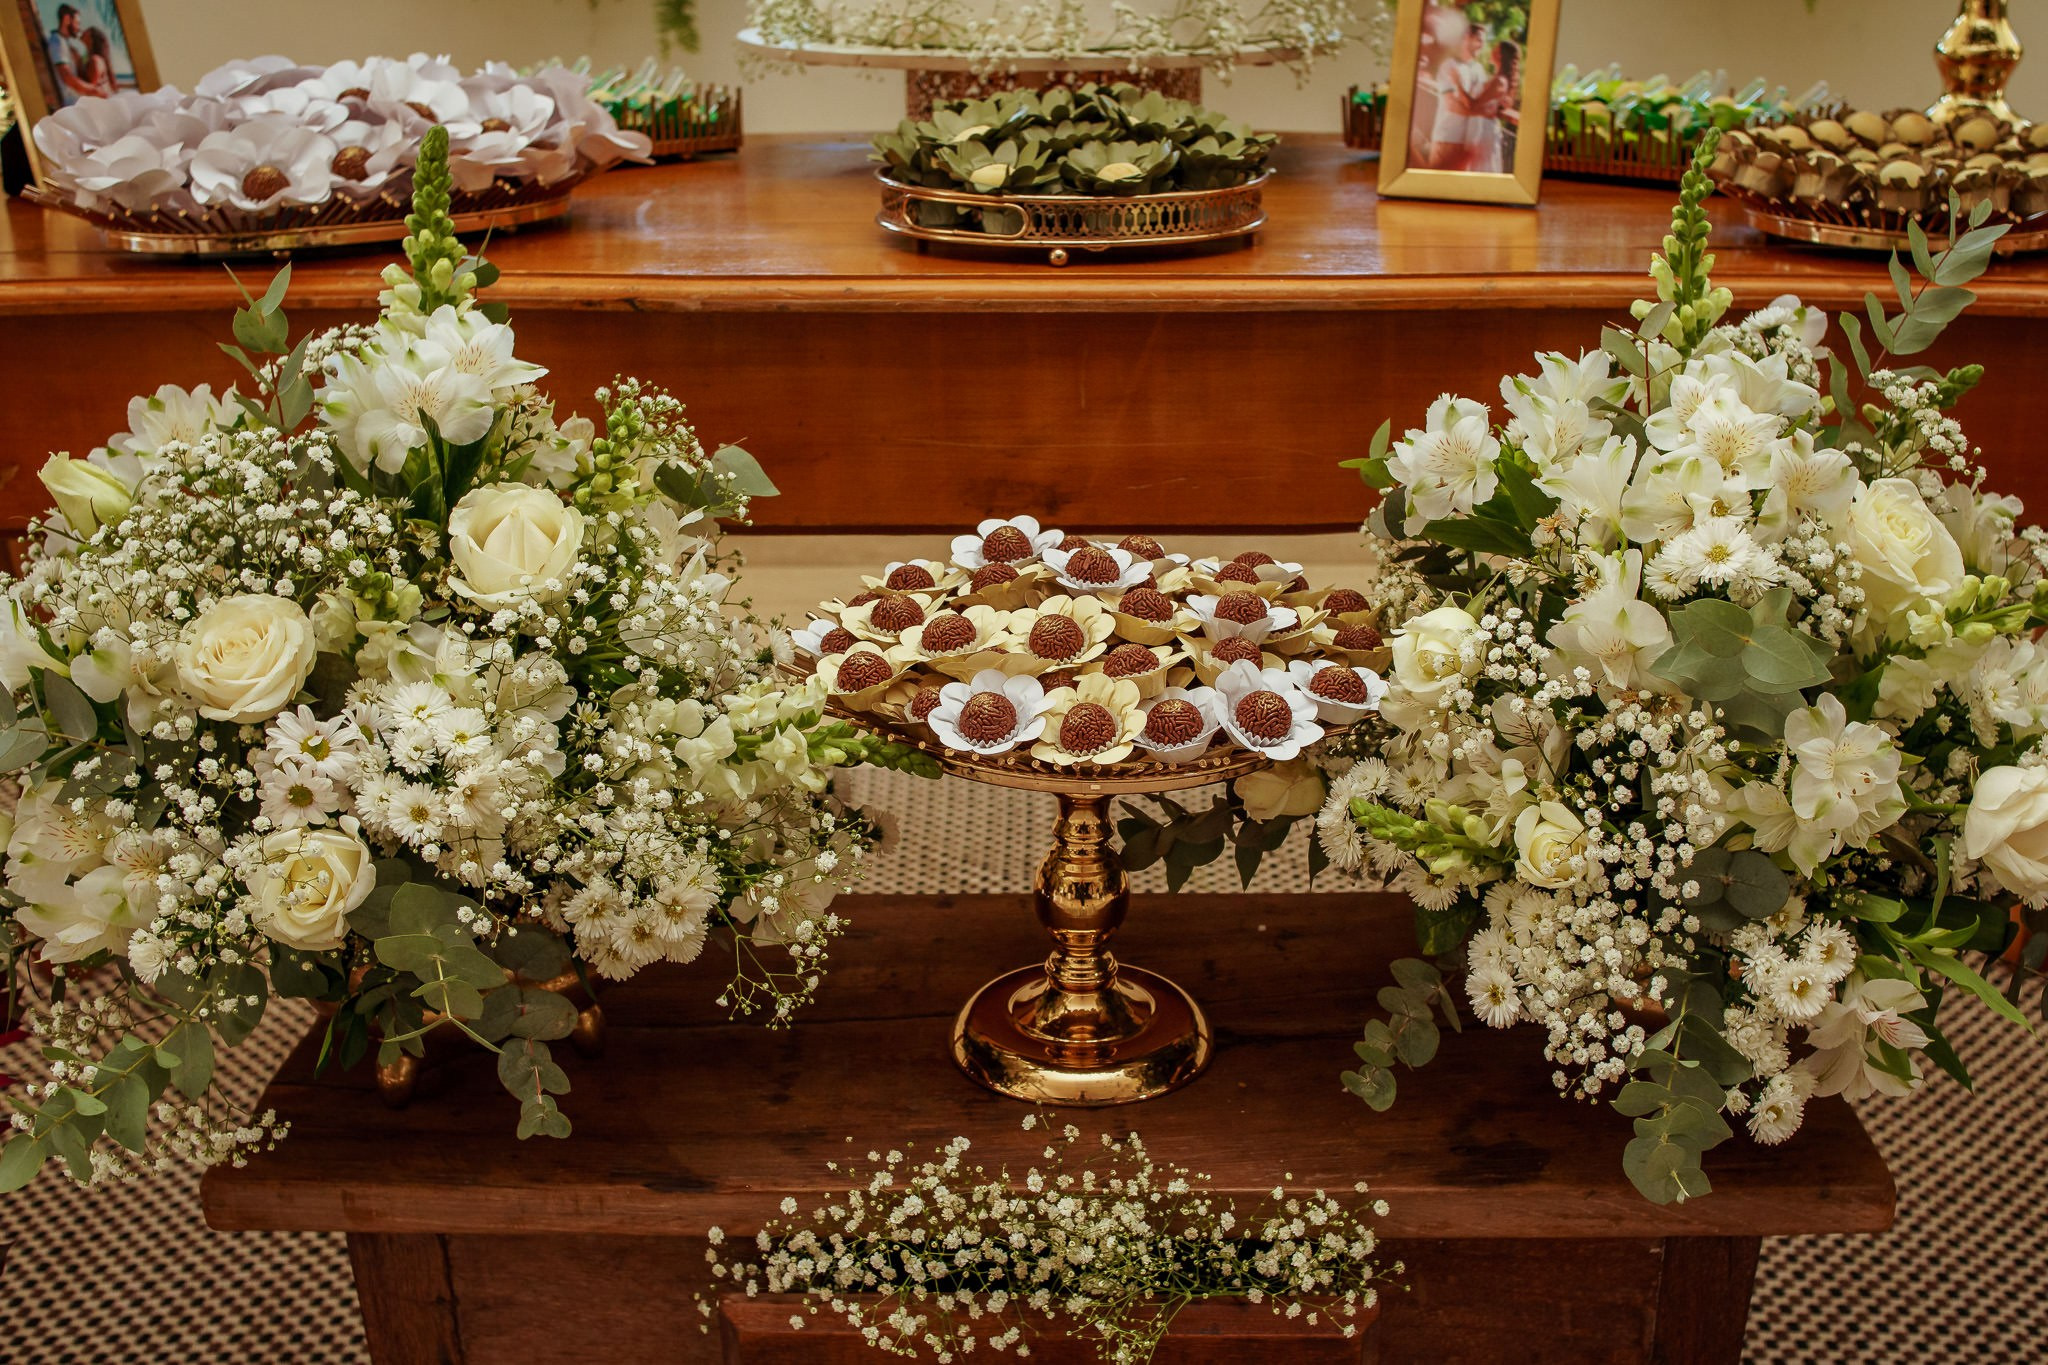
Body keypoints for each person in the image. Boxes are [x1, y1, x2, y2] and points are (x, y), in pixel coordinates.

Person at [1426, 20, 1492, 171]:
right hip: (1447, 138)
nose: (1482, 45)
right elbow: (1452, 105)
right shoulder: (1449, 65)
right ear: (1466, 38)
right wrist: (1482, 112)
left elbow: (1481, 102)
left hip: (1468, 142)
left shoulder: (1479, 69)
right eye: (1479, 40)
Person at [42, 4, 95, 107]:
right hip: (70, 105)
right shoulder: (57, 41)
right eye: (77, 23)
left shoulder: (63, 42)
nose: (78, 28)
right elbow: (66, 76)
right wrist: (92, 90)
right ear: (67, 19)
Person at [76, 26, 119, 98]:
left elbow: (91, 86)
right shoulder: (88, 58)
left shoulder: (95, 60)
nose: (82, 32)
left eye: (87, 31)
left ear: (91, 40)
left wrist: (78, 65)